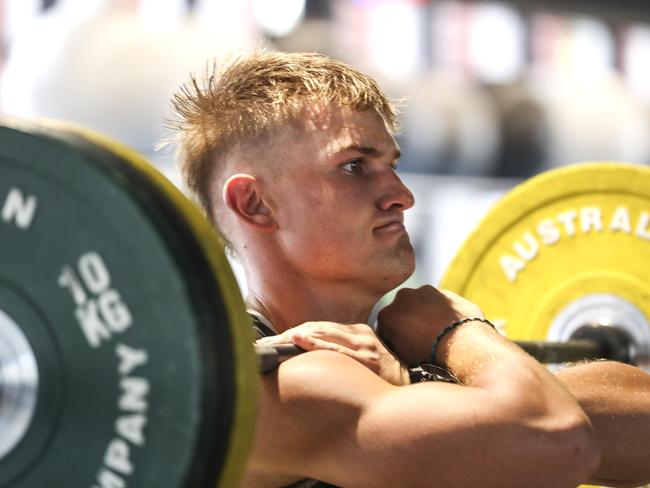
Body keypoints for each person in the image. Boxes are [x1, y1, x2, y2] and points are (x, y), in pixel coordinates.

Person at [168, 51, 650, 487]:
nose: (402, 195)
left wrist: (419, 378)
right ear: (255, 204)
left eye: (391, 163)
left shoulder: (396, 354)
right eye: (355, 166)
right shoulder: (271, 388)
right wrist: (460, 331)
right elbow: (557, 440)